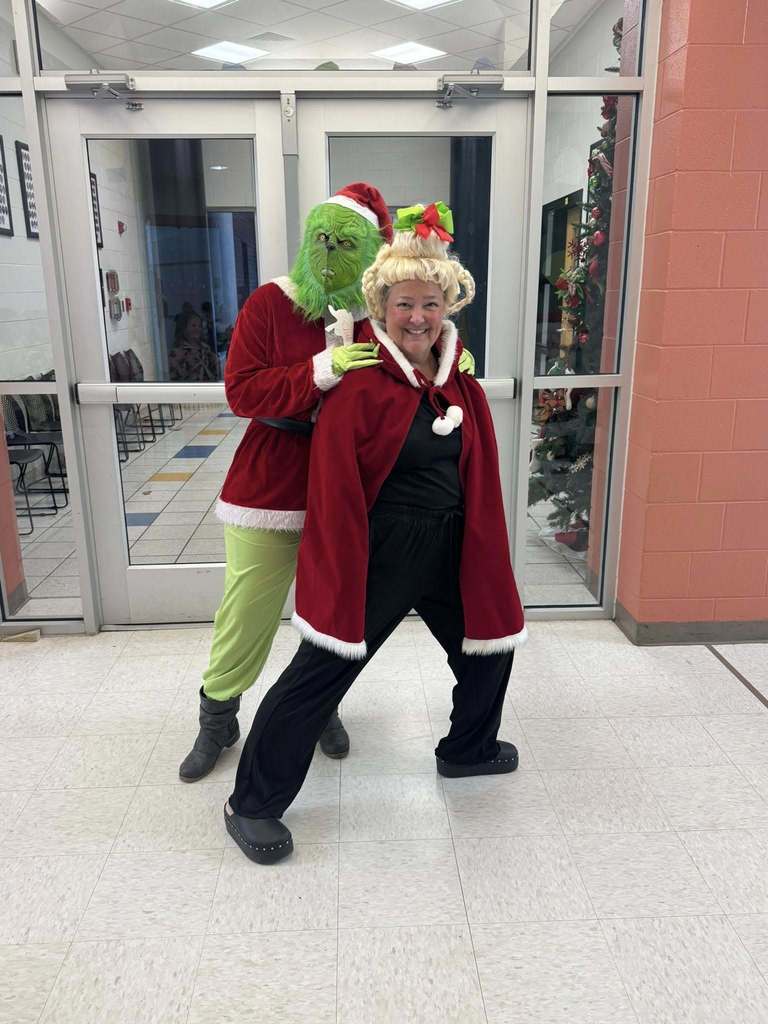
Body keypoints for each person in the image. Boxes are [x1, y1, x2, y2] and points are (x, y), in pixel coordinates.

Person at [224, 201, 526, 864]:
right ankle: (251, 803)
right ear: (381, 309)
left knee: (490, 648)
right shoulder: (357, 387)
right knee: (321, 675)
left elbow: (478, 476)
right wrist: (338, 567)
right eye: (403, 305)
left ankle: (468, 749)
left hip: (450, 546)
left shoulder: (462, 386)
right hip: (381, 550)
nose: (416, 318)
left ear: (446, 307)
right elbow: (333, 490)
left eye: (429, 304)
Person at [178, 183, 393, 781]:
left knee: (332, 610)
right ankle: (217, 718)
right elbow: (243, 391)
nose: (329, 252)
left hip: (344, 486)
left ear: (370, 250)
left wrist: (450, 362)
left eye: (346, 243)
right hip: (270, 480)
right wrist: (321, 371)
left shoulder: (377, 315)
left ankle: (317, 704)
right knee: (246, 610)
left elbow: (403, 387)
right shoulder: (270, 304)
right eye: (321, 238)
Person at [168, 310, 219, 382]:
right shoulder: (176, 352)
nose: (197, 329)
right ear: (184, 328)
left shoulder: (206, 349)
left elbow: (216, 369)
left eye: (200, 326)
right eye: (193, 325)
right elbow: (174, 378)